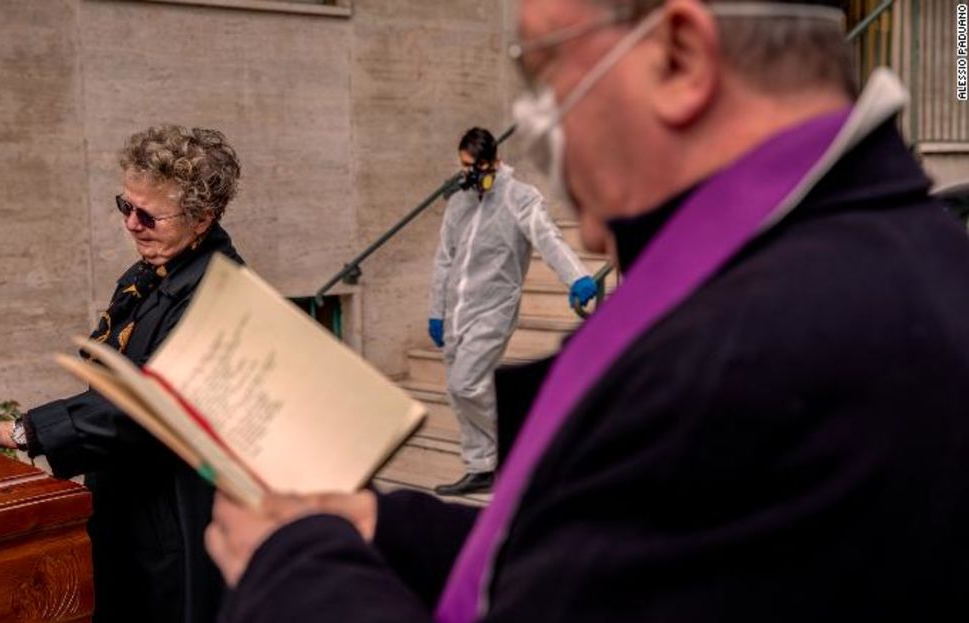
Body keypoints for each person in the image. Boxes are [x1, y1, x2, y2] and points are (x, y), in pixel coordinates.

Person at [206, 1, 969, 621]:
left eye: (545, 71)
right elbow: (620, 562)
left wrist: (294, 566)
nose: (544, 122)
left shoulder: (734, 359)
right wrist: (387, 530)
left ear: (678, 57)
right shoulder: (895, 256)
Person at [0, 125, 245, 623]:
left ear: (202, 218)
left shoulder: (219, 291)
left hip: (173, 519)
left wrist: (14, 431)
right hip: (125, 504)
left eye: (148, 214)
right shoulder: (152, 270)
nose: (131, 224)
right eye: (124, 206)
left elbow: (145, 406)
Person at [428, 127, 597, 496]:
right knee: (460, 393)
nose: (467, 174)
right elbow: (444, 261)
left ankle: (526, 445)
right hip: (457, 311)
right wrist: (436, 311)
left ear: (492, 161)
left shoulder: (519, 198)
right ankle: (481, 466)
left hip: (494, 307)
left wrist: (578, 278)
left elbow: (548, 237)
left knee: (466, 382)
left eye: (473, 166)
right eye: (462, 166)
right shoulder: (460, 202)